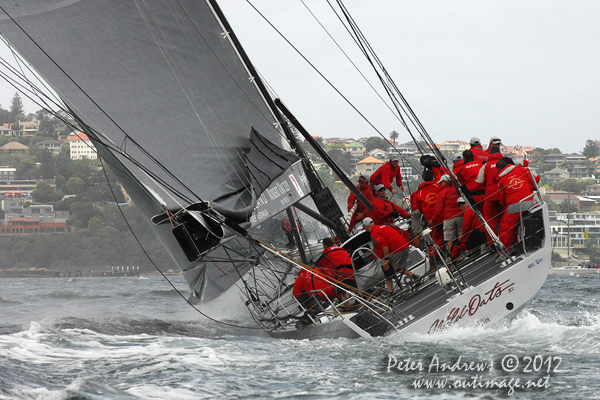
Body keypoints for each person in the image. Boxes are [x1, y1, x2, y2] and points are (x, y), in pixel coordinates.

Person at [362, 217, 418, 297]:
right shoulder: (382, 227)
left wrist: (386, 259)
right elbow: (378, 248)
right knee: (398, 268)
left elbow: (384, 245)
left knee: (388, 271)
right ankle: (415, 277)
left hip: (397, 250)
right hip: (405, 246)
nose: (364, 228)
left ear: (366, 226)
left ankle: (391, 295)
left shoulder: (375, 232)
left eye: (364, 227)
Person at [495, 157, 537, 250]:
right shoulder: (522, 170)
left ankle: (506, 250)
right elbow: (535, 181)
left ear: (498, 170)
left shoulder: (501, 180)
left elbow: (502, 199)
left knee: (506, 227)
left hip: (514, 205)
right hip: (530, 202)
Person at [429, 174, 464, 254]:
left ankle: (452, 256)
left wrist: (433, 219)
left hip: (449, 218)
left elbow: (438, 209)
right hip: (460, 215)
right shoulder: (457, 189)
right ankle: (464, 253)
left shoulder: (442, 193)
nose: (441, 184)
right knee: (461, 235)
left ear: (445, 182)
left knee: (449, 239)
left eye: (441, 183)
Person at [475, 146, 504, 235]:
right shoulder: (506, 163)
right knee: (502, 219)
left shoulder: (486, 165)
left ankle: (492, 241)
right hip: (503, 194)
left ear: (490, 154)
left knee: (489, 219)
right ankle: (502, 239)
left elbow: (479, 182)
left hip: (490, 195)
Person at [410, 169, 443, 247]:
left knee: (418, 234)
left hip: (428, 218)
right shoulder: (438, 187)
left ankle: (425, 252)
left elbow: (418, 208)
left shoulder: (418, 193)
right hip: (442, 216)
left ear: (423, 178)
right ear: (433, 177)